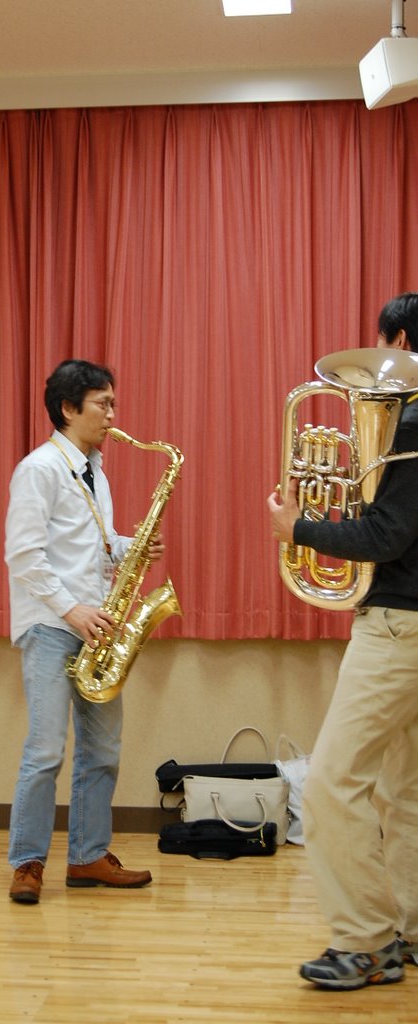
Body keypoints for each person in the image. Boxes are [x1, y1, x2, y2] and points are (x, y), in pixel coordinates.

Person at [267, 292, 418, 990]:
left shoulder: (412, 426)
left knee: (331, 785)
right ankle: (409, 929)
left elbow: (387, 536)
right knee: (403, 791)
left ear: (397, 342)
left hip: (397, 628)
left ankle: (364, 941)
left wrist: (298, 528)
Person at [4, 358, 160, 904]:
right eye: (103, 404)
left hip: (98, 626)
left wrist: (129, 546)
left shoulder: (96, 470)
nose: (113, 415)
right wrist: (72, 611)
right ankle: (27, 862)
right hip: (53, 625)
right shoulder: (39, 469)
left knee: (103, 750)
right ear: (69, 409)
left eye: (113, 403)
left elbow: (91, 545)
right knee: (46, 750)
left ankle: (88, 856)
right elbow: (23, 556)